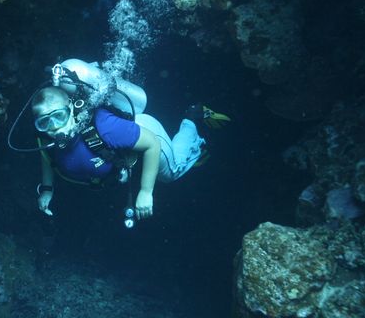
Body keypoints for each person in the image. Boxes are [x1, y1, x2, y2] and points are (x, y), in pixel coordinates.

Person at [31, 85, 229, 219]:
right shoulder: (46, 137)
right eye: (44, 122)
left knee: (170, 174)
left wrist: (146, 192)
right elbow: (48, 158)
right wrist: (47, 189)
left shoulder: (106, 128)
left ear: (71, 108)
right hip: (123, 154)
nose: (55, 128)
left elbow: (152, 144)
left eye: (59, 116)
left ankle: (193, 118)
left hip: (145, 132)